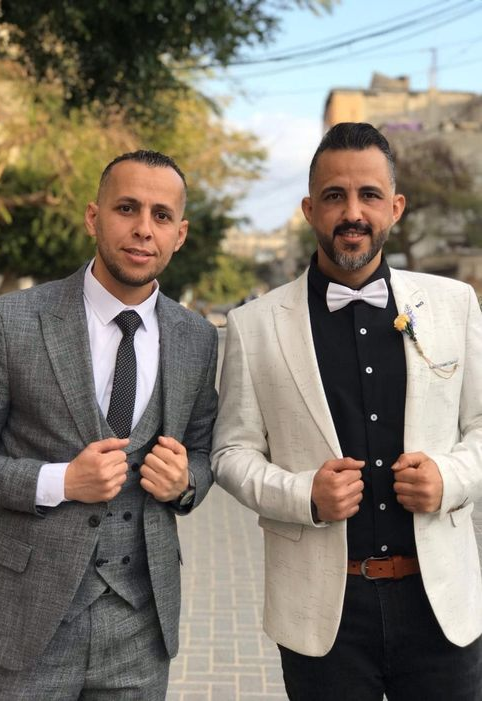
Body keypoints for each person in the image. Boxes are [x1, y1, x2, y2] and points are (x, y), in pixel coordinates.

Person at [212, 122, 482, 700]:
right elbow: (231, 452)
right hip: (321, 613)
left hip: (441, 604)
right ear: (310, 208)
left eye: (369, 195)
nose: (352, 212)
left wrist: (450, 477)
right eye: (335, 195)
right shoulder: (254, 325)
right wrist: (304, 495)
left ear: (395, 207)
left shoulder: (454, 304)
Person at [0, 149, 218, 700]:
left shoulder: (196, 338)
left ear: (179, 234)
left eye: (161, 216)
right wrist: (59, 481)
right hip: (22, 619)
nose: (143, 228)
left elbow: (201, 451)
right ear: (93, 217)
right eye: (127, 208)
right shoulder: (11, 320)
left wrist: (185, 482)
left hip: (140, 625)